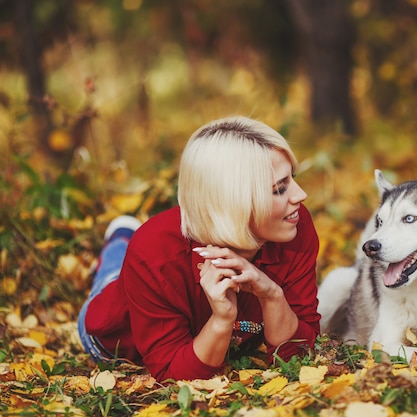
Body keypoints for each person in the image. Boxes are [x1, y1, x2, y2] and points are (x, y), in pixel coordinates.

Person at [77, 116, 321, 381]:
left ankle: (121, 239)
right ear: (234, 201)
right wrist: (221, 319)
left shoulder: (293, 224)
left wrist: (272, 295)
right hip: (117, 342)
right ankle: (118, 240)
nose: (300, 195)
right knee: (112, 276)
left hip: (224, 341)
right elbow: (172, 375)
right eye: (279, 189)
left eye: (291, 179)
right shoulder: (154, 251)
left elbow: (301, 353)